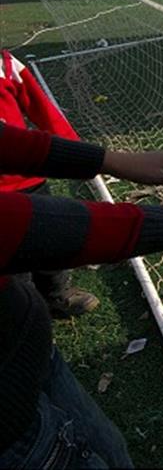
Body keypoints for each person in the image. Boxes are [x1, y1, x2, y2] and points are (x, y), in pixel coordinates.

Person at [0, 122, 163, 469]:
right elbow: (24, 227)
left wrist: (113, 161)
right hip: (9, 429)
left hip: (25, 352)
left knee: (110, 450)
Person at [1, 49, 100, 317]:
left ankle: (56, 294)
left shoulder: (6, 65)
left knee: (50, 239)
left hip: (29, 177)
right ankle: (24, 310)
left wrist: (77, 154)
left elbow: (42, 110)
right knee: (12, 255)